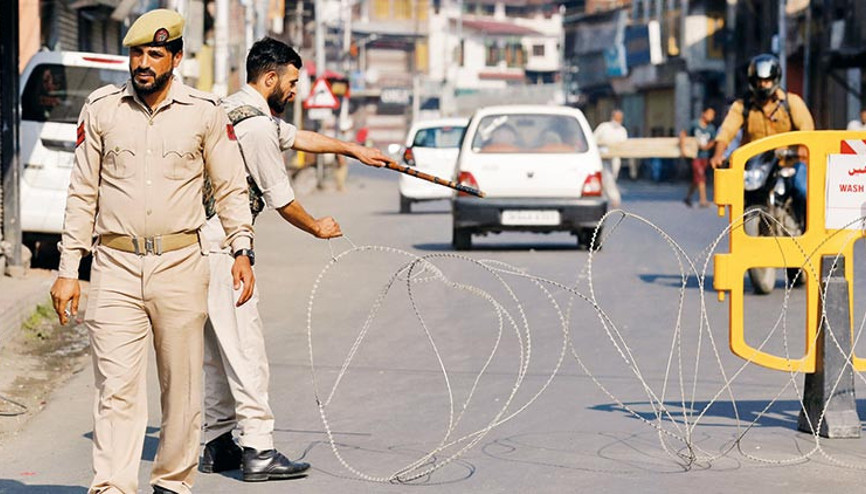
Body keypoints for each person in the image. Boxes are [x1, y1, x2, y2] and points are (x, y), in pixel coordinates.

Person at [48, 9, 255, 494]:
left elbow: (229, 189)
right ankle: (113, 486)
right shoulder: (101, 109)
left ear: (176, 58)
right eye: (136, 53)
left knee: (181, 389)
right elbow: (82, 194)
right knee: (115, 388)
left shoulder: (205, 113)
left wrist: (243, 249)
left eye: (154, 54)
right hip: (114, 266)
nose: (142, 63)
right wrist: (67, 270)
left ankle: (172, 482)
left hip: (181, 265)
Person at [199, 37, 394, 483]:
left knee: (216, 351)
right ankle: (259, 449)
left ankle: (217, 442)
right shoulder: (256, 128)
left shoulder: (235, 109)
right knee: (246, 351)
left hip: (202, 245)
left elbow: (299, 136)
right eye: (290, 83)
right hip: (225, 247)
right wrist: (317, 227)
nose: (294, 92)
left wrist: (353, 149)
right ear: (269, 78)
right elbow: (282, 199)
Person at [710, 53, 814, 171]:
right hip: (755, 167)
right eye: (758, 81)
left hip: (788, 165)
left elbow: (806, 127)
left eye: (767, 81)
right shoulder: (742, 106)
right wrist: (718, 155)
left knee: (802, 186)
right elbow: (726, 131)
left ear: (775, 80)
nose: (762, 85)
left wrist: (803, 147)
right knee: (734, 188)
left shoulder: (792, 102)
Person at [680, 107, 716, 207]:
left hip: (705, 156)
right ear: (703, 113)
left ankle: (688, 197)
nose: (711, 117)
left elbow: (714, 141)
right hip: (694, 155)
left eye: (713, 115)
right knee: (701, 175)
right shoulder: (695, 124)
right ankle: (703, 200)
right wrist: (683, 148)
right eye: (709, 114)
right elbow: (684, 133)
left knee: (697, 179)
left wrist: (707, 147)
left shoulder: (711, 128)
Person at [593, 109, 628, 208]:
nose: (618, 120)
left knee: (612, 177)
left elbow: (623, 144)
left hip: (615, 158)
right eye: (617, 118)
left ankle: (604, 196)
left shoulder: (622, 130)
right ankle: (615, 198)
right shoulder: (604, 127)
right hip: (603, 157)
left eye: (620, 118)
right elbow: (594, 139)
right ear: (612, 117)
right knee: (607, 178)